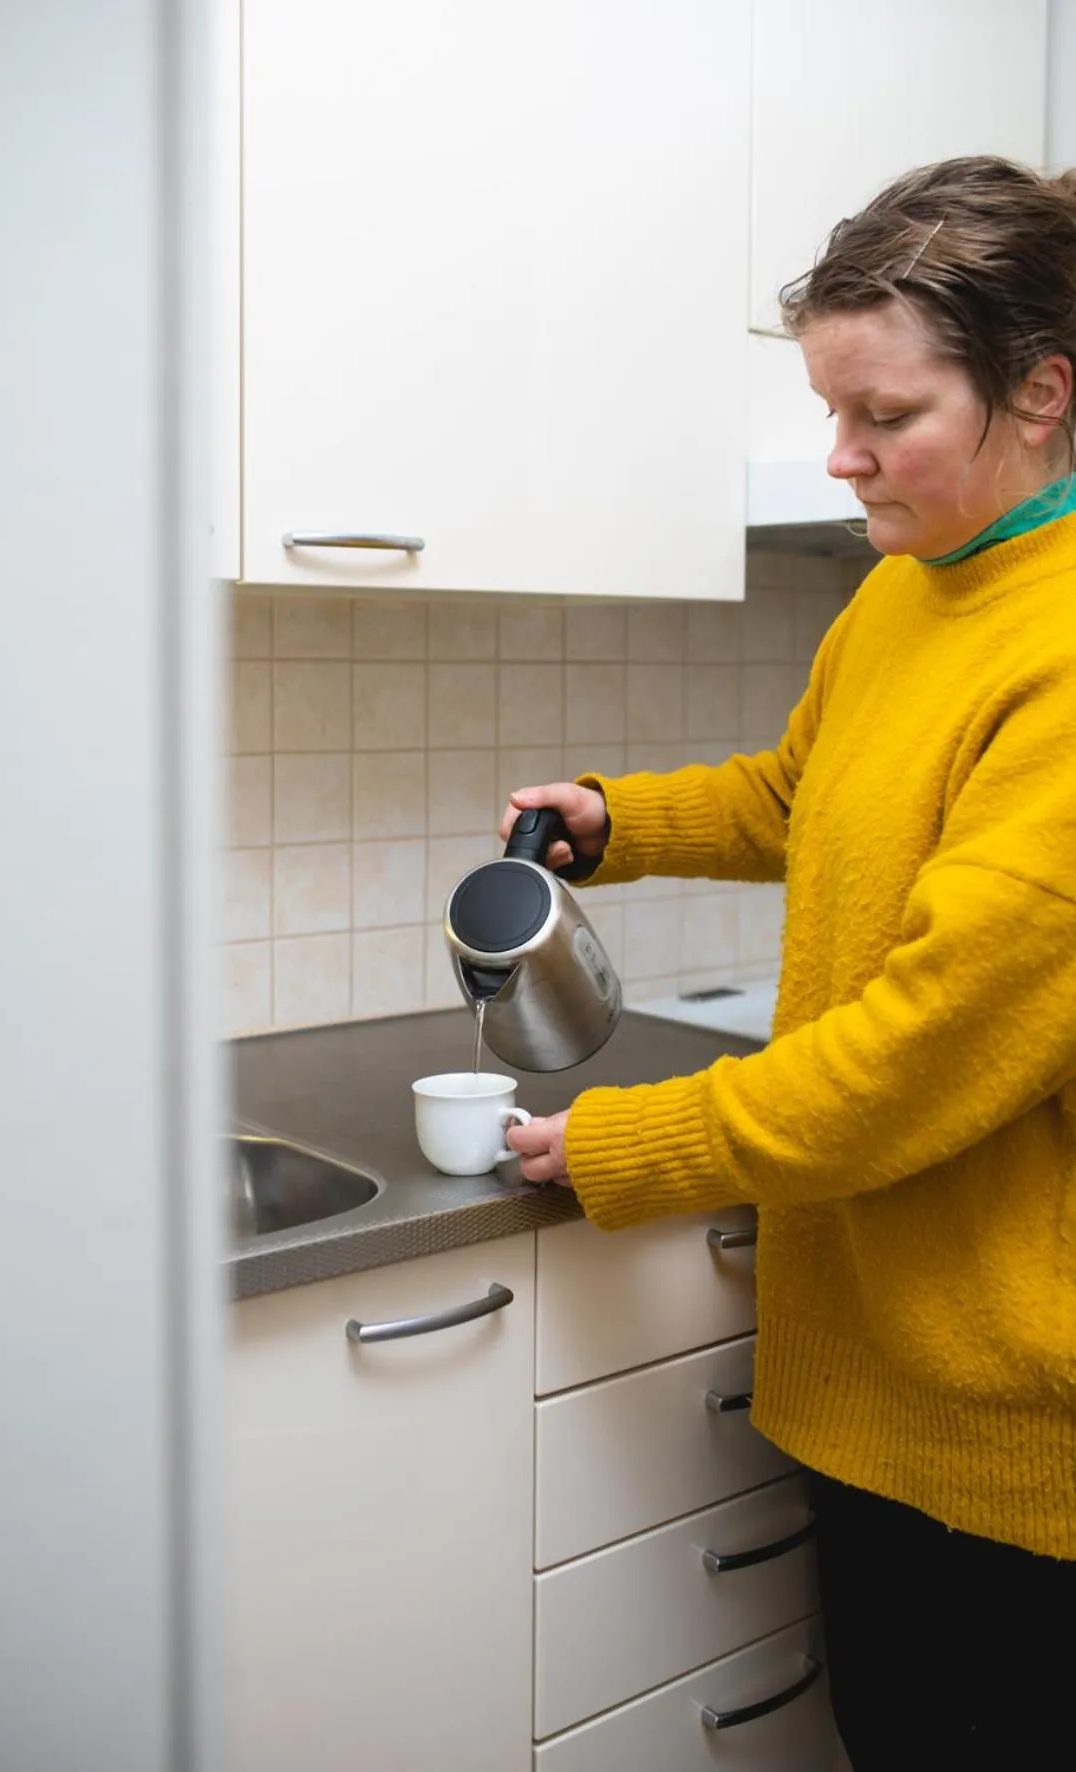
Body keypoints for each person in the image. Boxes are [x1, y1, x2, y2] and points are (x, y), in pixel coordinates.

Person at [501, 155, 1076, 1771]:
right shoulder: (903, 594)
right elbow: (801, 789)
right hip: (867, 1385)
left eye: (885, 416)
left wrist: (624, 1143)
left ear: (1040, 393)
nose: (843, 459)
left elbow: (913, 1061)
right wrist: (620, 818)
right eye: (833, 411)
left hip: (1013, 1445)